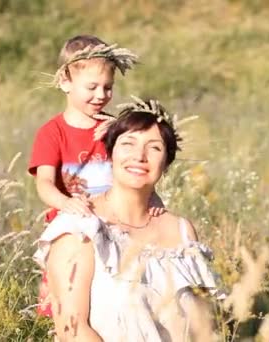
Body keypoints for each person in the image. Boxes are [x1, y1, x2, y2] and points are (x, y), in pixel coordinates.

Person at [34, 99, 222, 341]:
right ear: (110, 154)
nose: (139, 156)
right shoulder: (80, 226)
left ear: (166, 163)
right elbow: (73, 330)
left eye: (154, 148)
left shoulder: (182, 231)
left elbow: (203, 329)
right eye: (128, 143)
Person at [28, 35, 147, 316]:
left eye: (108, 88)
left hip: (116, 226)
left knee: (116, 302)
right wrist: (66, 203)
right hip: (73, 229)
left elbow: (139, 170)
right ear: (65, 82)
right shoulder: (52, 132)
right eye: (91, 87)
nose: (101, 95)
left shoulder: (115, 128)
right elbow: (44, 183)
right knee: (68, 303)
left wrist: (121, 134)